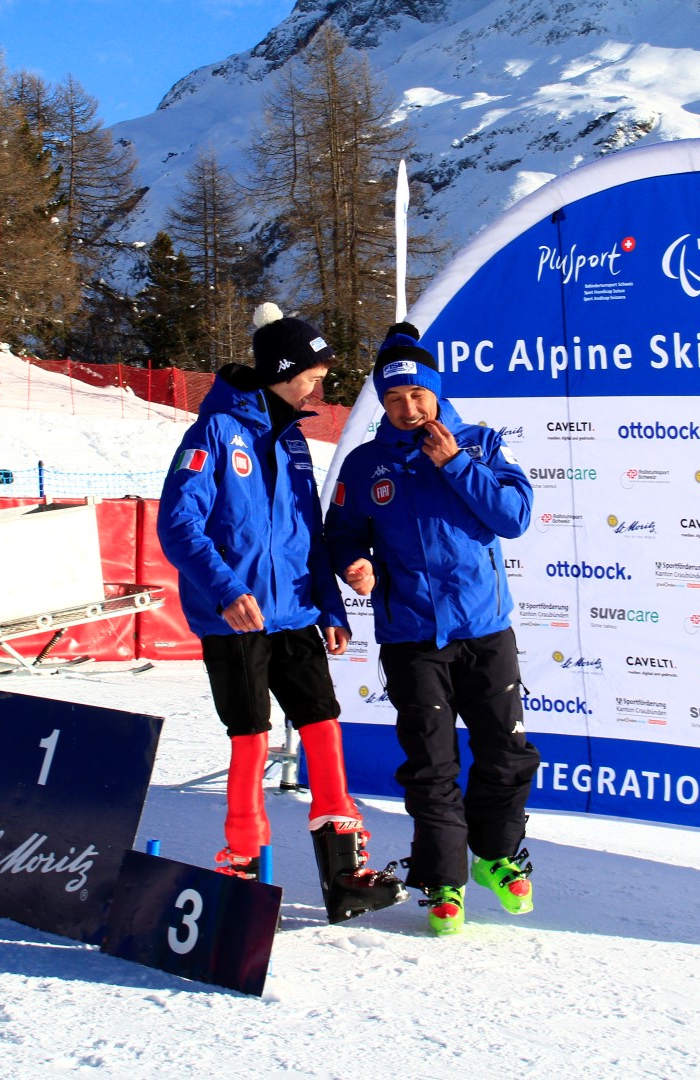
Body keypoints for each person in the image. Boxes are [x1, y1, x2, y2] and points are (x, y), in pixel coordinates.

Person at [157, 302, 406, 924]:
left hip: (295, 615)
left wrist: (329, 604)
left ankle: (347, 874)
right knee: (250, 738)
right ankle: (240, 865)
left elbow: (308, 536)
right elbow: (177, 524)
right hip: (235, 621)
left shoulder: (294, 441)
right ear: (283, 370)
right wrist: (224, 589)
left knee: (322, 726)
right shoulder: (214, 433)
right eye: (314, 373)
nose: (322, 383)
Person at [324, 323, 539, 936]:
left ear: (437, 393)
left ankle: (497, 853)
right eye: (395, 400)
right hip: (412, 636)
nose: (409, 408)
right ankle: (444, 882)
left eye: (418, 396)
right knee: (432, 763)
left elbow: (513, 516)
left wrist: (455, 463)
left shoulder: (481, 444)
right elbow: (341, 532)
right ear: (382, 405)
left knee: (505, 750)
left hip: (484, 628)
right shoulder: (366, 465)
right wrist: (352, 563)